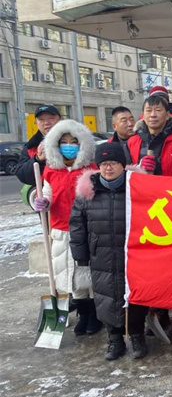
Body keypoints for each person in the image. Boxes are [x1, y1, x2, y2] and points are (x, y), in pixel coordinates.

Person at [70, 143, 150, 360]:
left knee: (134, 298)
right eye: (104, 163)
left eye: (113, 163)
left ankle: (137, 335)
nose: (108, 168)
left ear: (122, 165)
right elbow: (77, 226)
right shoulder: (87, 194)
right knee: (105, 297)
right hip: (101, 256)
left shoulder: (137, 189)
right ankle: (114, 339)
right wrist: (81, 256)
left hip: (132, 256)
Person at [127, 95, 172, 334]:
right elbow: (123, 174)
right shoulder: (133, 142)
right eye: (149, 110)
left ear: (168, 115)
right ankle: (159, 311)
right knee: (155, 267)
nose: (153, 114)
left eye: (158, 110)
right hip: (146, 213)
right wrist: (136, 168)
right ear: (143, 114)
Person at [33, 119, 102, 336]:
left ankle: (95, 315)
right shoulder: (51, 170)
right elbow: (47, 192)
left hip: (87, 230)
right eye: (64, 142)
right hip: (61, 229)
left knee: (87, 274)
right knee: (69, 276)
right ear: (56, 144)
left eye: (74, 142)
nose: (69, 146)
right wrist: (42, 201)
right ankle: (83, 314)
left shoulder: (91, 169)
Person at [16, 105, 61, 186]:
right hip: (45, 193)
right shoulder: (31, 147)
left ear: (59, 120)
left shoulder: (74, 141)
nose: (46, 123)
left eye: (51, 118)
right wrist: (37, 159)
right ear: (36, 123)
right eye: (41, 119)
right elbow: (22, 175)